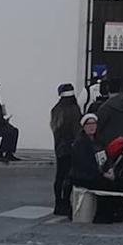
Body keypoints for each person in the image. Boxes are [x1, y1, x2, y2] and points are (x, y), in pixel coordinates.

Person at [50, 83, 81, 215]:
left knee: (59, 176)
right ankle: (66, 203)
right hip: (72, 146)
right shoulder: (75, 109)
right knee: (69, 176)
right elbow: (77, 130)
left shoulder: (56, 109)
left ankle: (58, 204)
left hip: (59, 146)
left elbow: (55, 128)